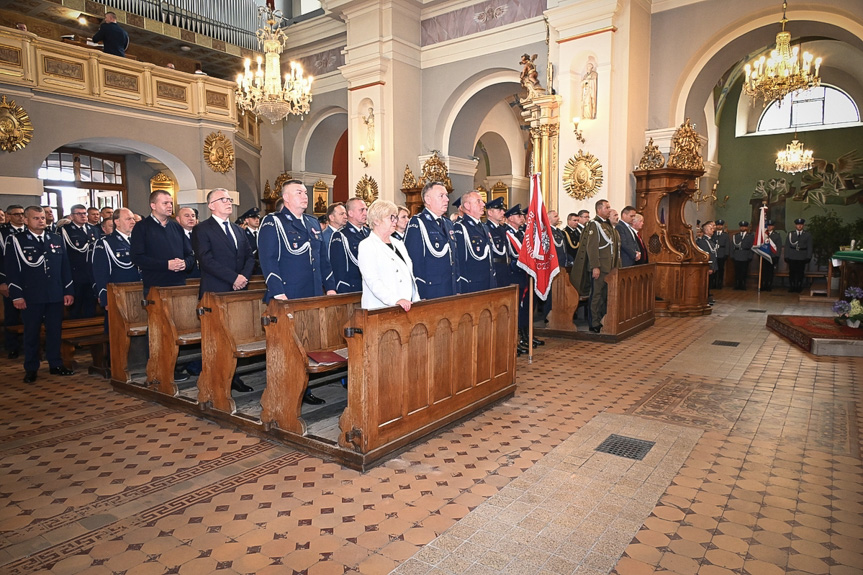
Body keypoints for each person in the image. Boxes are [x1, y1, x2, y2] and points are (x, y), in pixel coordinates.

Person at [258, 179, 335, 405]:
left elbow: (322, 259)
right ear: (286, 198)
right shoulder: (273, 222)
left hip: (311, 293)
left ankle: (303, 387)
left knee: (306, 343)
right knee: (286, 347)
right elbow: (268, 259)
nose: (305, 195)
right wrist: (278, 292)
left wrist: (329, 287)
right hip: (288, 294)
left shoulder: (311, 222)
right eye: (299, 192)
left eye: (305, 192)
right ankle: (282, 390)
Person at [192, 189, 255, 393]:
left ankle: (232, 376)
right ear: (211, 205)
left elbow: (249, 257)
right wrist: (233, 277)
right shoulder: (202, 229)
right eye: (223, 200)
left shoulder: (238, 230)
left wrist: (243, 277)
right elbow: (206, 260)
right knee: (216, 338)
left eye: (230, 199)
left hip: (237, 291)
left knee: (233, 336)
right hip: (215, 290)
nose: (229, 202)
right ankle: (215, 379)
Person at [5, 206, 74, 382]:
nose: (41, 221)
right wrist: (17, 295)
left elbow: (64, 267)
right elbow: (12, 271)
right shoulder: (16, 241)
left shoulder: (55, 238)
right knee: (32, 333)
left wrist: (68, 290)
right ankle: (31, 367)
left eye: (42, 217)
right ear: (26, 220)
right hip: (31, 295)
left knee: (54, 331)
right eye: (36, 218)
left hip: (54, 293)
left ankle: (55, 364)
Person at [130, 191, 196, 298]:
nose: (170, 206)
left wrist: (185, 263)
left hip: (179, 284)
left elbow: (190, 255)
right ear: (153, 205)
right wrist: (166, 265)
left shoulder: (177, 227)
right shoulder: (142, 227)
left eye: (171, 203)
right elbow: (137, 257)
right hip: (155, 286)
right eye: (165, 203)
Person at [357, 200, 419, 311]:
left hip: (406, 305)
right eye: (391, 217)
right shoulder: (367, 245)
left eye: (396, 217)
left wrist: (415, 298)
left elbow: (410, 275)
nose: (395, 221)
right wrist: (395, 300)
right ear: (376, 220)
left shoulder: (399, 244)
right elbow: (373, 281)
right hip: (380, 308)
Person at [570, 199, 620, 333]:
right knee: (596, 295)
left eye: (609, 207)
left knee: (604, 295)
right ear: (599, 209)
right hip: (600, 267)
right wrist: (595, 266)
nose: (609, 209)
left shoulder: (607, 225)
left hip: (609, 267)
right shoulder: (594, 225)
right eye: (607, 207)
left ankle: (603, 319)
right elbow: (592, 248)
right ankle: (594, 322)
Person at [404, 181, 460, 300]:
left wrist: (458, 288)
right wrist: (419, 294)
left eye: (446, 196)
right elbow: (414, 261)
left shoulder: (448, 223)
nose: (447, 200)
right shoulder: (418, 223)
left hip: (451, 289)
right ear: (428, 199)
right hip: (431, 291)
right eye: (441, 196)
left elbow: (455, 258)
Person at [92, 208, 141, 328]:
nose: (133, 221)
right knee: (117, 333)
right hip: (118, 296)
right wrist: (105, 298)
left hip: (138, 293)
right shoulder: (106, 243)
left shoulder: (138, 241)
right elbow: (100, 273)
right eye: (128, 219)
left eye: (133, 219)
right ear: (117, 222)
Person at [61, 204, 100, 318]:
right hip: (75, 274)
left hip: (91, 274)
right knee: (75, 307)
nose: (83, 216)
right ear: (72, 216)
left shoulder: (93, 229)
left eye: (84, 213)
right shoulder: (65, 230)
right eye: (79, 214)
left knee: (91, 306)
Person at [453, 191, 496, 293]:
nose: (483, 204)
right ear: (467, 206)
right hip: (472, 285)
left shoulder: (484, 227)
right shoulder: (461, 227)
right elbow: (460, 260)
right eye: (478, 201)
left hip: (488, 282)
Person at [0, 205, 27, 358]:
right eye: (16, 214)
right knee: (11, 314)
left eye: (22, 214)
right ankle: (12, 346)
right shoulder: (3, 233)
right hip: (9, 279)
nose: (20, 217)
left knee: (30, 314)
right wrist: (2, 281)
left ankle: (30, 344)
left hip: (29, 281)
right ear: (8, 216)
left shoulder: (28, 232)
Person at [328, 198, 368, 294]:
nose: (365, 213)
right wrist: (343, 289)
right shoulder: (341, 235)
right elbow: (338, 267)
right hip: (353, 288)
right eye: (361, 210)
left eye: (366, 209)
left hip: (368, 287)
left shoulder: (369, 233)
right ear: (350, 213)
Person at [484, 197, 511, 288]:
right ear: (490, 213)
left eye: (503, 210)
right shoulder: (486, 229)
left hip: (505, 270)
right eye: (499, 210)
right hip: (495, 270)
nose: (503, 213)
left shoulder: (502, 230)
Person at [785, 218, 812, 293]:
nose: (799, 226)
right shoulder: (791, 234)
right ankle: (792, 286)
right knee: (792, 272)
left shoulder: (807, 234)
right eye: (798, 225)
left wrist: (808, 256)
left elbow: (809, 246)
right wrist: (786, 256)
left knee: (800, 272)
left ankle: (799, 286)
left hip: (802, 256)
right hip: (792, 256)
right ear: (795, 226)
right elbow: (787, 246)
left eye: (801, 225)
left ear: (803, 225)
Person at [695, 220, 717, 305]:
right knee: (706, 284)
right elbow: (706, 255)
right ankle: (705, 298)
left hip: (712, 265)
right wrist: (710, 267)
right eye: (711, 229)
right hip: (708, 266)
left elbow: (714, 254)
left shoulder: (711, 241)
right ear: (706, 231)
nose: (713, 230)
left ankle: (707, 297)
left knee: (709, 284)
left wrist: (714, 266)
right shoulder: (703, 242)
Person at [731, 220, 754, 290]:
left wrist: (750, 256)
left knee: (744, 271)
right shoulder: (736, 236)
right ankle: (737, 284)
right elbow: (732, 246)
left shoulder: (750, 236)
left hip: (745, 255)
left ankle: (743, 284)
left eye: (744, 227)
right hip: (737, 255)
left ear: (746, 228)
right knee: (737, 271)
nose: (742, 228)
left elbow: (752, 247)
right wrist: (732, 255)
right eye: (741, 226)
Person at [760, 219, 782, 291]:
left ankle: (769, 285)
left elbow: (778, 246)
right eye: (768, 226)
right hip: (763, 255)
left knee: (770, 272)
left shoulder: (776, 235)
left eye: (771, 226)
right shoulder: (763, 235)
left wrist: (777, 256)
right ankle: (763, 285)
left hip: (772, 256)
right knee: (763, 271)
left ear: (773, 227)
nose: (769, 227)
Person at [240, 207, 262, 275]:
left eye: (258, 218)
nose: (257, 220)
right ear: (247, 220)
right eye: (253, 218)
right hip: (251, 269)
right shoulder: (243, 234)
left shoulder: (263, 233)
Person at [713, 219, 729, 289]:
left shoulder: (725, 235)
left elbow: (727, 244)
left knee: (721, 269)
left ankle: (720, 283)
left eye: (720, 225)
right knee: (714, 269)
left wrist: (726, 254)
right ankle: (713, 283)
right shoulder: (713, 234)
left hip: (722, 254)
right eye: (718, 225)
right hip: (714, 253)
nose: (719, 226)